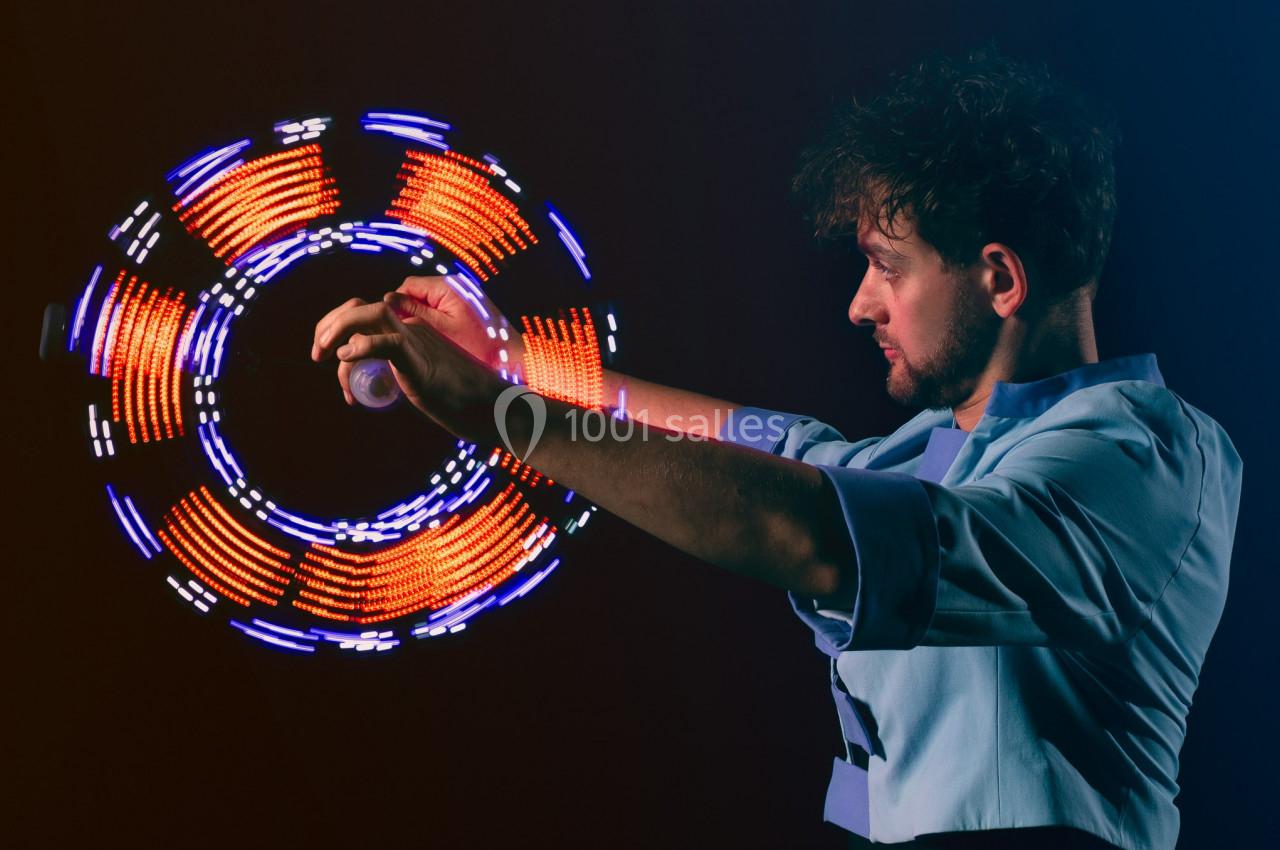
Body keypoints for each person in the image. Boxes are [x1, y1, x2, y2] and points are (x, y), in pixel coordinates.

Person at [310, 49, 1242, 850]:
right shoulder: (923, 450)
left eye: (888, 266)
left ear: (1000, 279)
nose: (859, 304)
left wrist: (508, 415)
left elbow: (820, 535)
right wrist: (517, 363)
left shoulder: (1145, 448)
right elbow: (747, 443)